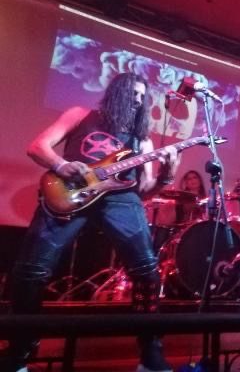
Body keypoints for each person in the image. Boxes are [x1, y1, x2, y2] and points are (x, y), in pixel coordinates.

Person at [5, 72, 180, 372]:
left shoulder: (142, 141)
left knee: (147, 271)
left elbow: (143, 191)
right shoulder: (81, 115)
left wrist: (167, 175)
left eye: (143, 97)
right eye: (133, 94)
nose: (138, 101)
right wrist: (61, 164)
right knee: (31, 271)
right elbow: (37, 146)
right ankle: (20, 351)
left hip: (119, 198)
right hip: (70, 191)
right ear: (116, 93)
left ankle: (150, 352)